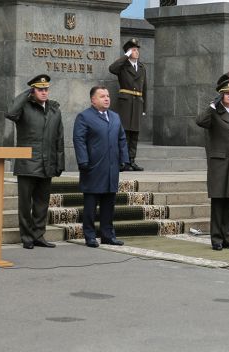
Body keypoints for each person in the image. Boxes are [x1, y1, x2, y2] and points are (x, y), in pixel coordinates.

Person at [5, 74, 65, 249]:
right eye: (40, 89)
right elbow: (10, 112)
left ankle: (39, 235)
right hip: (27, 164)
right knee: (25, 204)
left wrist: (59, 163)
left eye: (46, 89)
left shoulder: (54, 110)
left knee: (41, 203)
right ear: (33, 91)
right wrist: (26, 94)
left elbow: (59, 139)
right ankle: (27, 237)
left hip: (47, 164)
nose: (44, 92)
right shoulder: (24, 108)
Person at [196, 72, 229, 251]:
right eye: (227, 93)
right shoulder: (214, 112)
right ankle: (217, 238)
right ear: (221, 94)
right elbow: (200, 121)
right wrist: (212, 106)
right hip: (219, 163)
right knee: (219, 202)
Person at [74, 86, 128, 248]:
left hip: (111, 168)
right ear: (93, 100)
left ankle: (107, 235)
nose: (107, 99)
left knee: (108, 204)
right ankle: (90, 235)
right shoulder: (84, 117)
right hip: (93, 168)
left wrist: (124, 159)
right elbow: (79, 140)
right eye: (102, 96)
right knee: (91, 205)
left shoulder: (115, 117)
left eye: (108, 96)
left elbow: (122, 139)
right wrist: (83, 161)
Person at [109, 38, 146, 172]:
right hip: (125, 103)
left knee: (134, 134)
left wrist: (144, 108)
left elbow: (144, 88)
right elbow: (112, 68)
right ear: (128, 52)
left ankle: (131, 161)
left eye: (137, 49)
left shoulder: (142, 67)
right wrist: (125, 56)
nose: (137, 52)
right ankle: (122, 161)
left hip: (137, 103)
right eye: (133, 50)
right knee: (124, 133)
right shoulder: (122, 66)